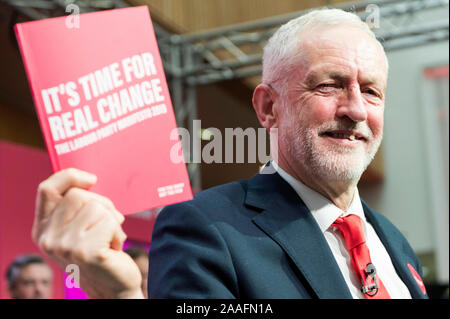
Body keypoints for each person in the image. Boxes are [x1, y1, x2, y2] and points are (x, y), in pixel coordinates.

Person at [31, 8, 428, 299]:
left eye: (372, 91)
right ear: (269, 108)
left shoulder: (393, 241)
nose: (356, 109)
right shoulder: (203, 230)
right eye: (329, 85)